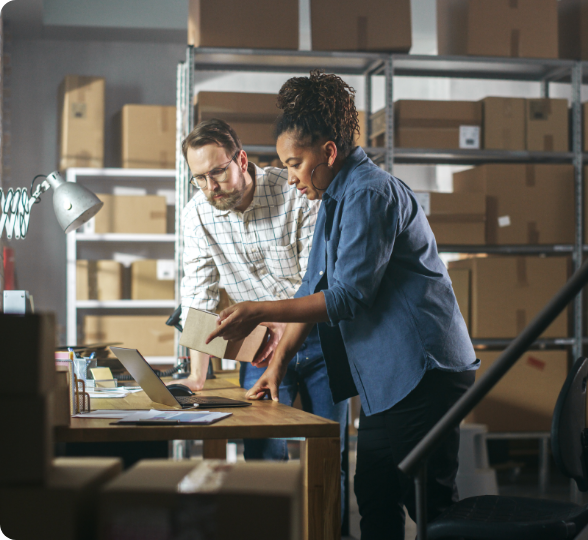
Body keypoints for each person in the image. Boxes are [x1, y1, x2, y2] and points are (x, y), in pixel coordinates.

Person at [205, 71, 480, 540]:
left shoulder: (369, 193)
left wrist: (257, 309)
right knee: (373, 497)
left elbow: (348, 296)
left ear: (328, 152)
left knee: (430, 507)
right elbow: (311, 283)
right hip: (386, 377)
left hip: (423, 370)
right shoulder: (335, 199)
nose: (289, 178)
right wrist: (278, 364)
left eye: (295, 164)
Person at [178, 117, 348, 510]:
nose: (209, 187)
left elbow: (317, 283)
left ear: (240, 159)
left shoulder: (293, 191)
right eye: (199, 178)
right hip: (259, 351)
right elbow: (198, 299)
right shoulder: (196, 215)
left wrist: (276, 324)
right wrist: (197, 376)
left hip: (321, 339)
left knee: (328, 458)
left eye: (217, 173)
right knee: (262, 459)